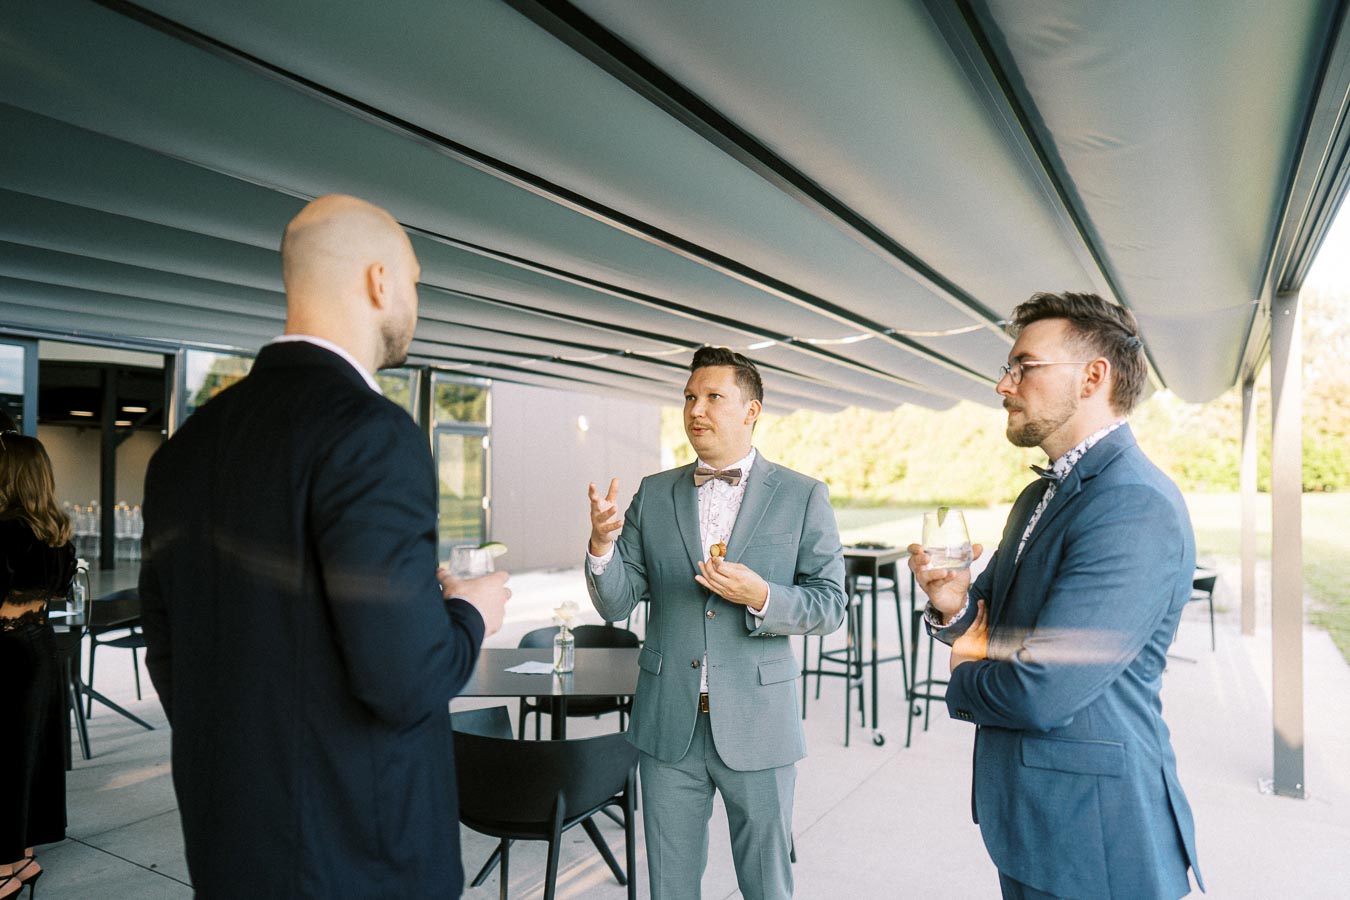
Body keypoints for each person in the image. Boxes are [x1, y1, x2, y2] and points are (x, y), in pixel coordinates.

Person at [139, 194, 511, 898]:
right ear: (379, 281)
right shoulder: (372, 433)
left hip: (228, 850)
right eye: (415, 281)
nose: (415, 301)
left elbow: (173, 656)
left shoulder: (184, 451)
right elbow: (406, 684)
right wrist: (470, 614)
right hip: (358, 860)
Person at [909, 291, 1203, 899]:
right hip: (1032, 821)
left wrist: (962, 675)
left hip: (1095, 839)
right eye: (1007, 368)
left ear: (1093, 376)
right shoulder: (1036, 498)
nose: (1004, 385)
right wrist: (952, 604)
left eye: (1024, 366)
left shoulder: (1132, 504)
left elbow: (1041, 690)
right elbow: (982, 619)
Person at [586, 346, 845, 900]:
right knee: (669, 886)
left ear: (751, 410)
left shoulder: (803, 495)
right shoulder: (653, 494)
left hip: (759, 723)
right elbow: (615, 604)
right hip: (667, 726)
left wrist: (763, 597)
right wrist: (602, 547)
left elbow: (829, 605)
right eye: (688, 398)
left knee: (767, 884)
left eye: (712, 397)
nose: (695, 410)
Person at [1, 432, 75, 899]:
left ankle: (3, 870)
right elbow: (60, 594)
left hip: (6, 653)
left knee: (4, 759)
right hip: (43, 645)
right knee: (31, 755)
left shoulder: (4, 530)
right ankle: (23, 858)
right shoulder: (56, 529)